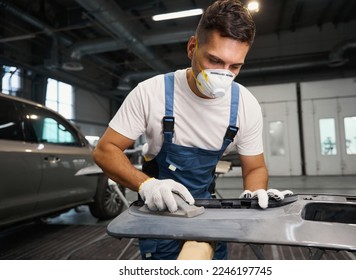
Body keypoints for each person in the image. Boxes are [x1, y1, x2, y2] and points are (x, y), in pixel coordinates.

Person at [93, 0, 292, 260]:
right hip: (158, 216)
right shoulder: (151, 93)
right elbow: (105, 151)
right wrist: (147, 186)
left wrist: (254, 195)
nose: (224, 75)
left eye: (235, 66)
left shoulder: (245, 104)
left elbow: (254, 167)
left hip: (206, 213)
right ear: (192, 47)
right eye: (215, 60)